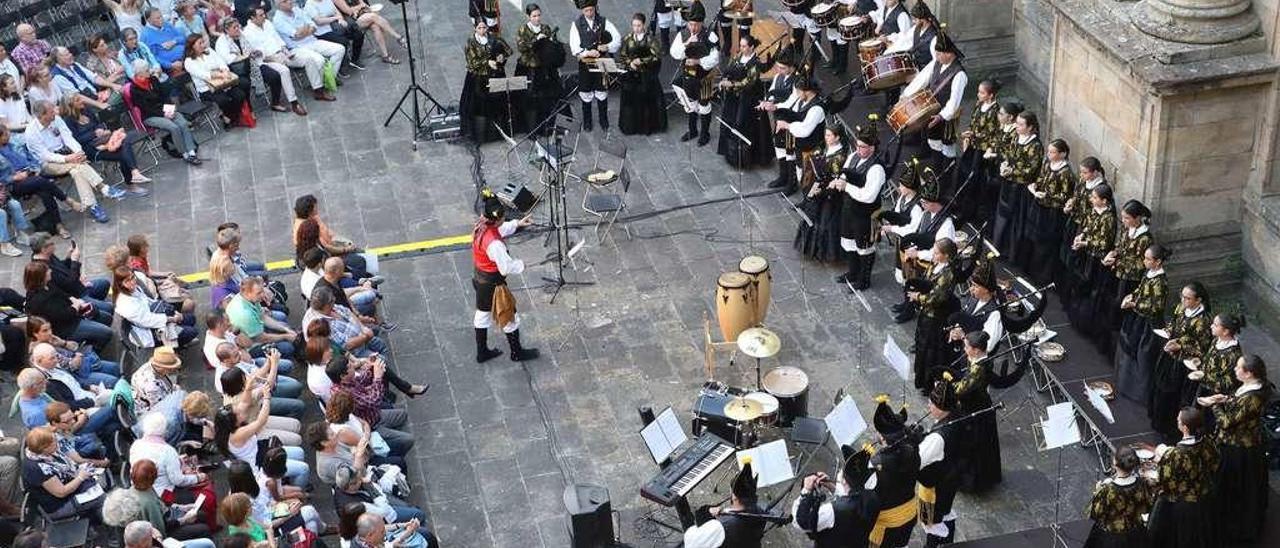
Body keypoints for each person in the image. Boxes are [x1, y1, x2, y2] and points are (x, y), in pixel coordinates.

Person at [1199, 355, 1271, 543]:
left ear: (1249, 374)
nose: (1235, 370)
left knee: (1233, 490)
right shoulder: (1250, 387)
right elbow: (1237, 404)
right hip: (1234, 444)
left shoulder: (1253, 398)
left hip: (1239, 451)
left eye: (1239, 368)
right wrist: (1225, 399)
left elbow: (1226, 423)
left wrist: (1214, 405)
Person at [25, 100, 122, 222]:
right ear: (42, 116)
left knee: (77, 171)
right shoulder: (31, 133)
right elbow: (45, 155)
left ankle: (93, 206)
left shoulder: (57, 119)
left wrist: (78, 152)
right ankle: (103, 188)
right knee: (78, 166)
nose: (55, 112)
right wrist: (67, 158)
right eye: (51, 112)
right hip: (48, 163)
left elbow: (68, 138)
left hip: (67, 154)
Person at [473, 189, 540, 362]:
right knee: (509, 315)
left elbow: (499, 230)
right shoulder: (495, 244)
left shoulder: (482, 225)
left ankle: (482, 352)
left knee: (483, 314)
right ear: (497, 218)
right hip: (494, 283)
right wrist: (522, 265)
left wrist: (517, 224)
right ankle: (516, 352)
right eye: (503, 217)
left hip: (480, 279)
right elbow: (506, 267)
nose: (504, 220)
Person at [128, 417, 219, 532]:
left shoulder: (136, 445)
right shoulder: (167, 451)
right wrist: (197, 477)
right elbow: (177, 480)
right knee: (198, 501)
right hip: (167, 499)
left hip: (164, 505)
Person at [1148, 407, 1218, 548]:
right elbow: (1215, 463)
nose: (1177, 421)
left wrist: (1151, 475)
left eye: (1178, 420)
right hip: (1204, 497)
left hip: (1182, 506)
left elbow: (1166, 483)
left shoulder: (1175, 455)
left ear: (1184, 428)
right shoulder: (1208, 441)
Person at [1149, 282, 1211, 441]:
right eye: (1182, 297)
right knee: (1159, 387)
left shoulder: (1203, 321)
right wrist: (1168, 332)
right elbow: (1173, 323)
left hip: (1183, 365)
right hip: (1170, 357)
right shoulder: (1180, 307)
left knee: (1172, 395)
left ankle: (1170, 429)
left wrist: (1180, 346)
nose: (1183, 301)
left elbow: (1202, 348)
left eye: (1187, 298)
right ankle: (1158, 421)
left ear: (1198, 300)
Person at [900, 26, 967, 169]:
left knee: (946, 147)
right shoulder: (937, 63)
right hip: (932, 110)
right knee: (933, 142)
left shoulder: (959, 74)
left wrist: (941, 116)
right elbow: (922, 79)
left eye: (939, 53)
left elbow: (954, 102)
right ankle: (937, 168)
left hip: (945, 116)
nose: (936, 56)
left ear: (949, 54)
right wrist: (906, 95)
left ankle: (946, 174)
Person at [60, 94, 152, 196]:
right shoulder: (68, 121)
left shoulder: (86, 111)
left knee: (124, 142)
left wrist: (100, 129)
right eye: (77, 100)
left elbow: (98, 123)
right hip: (91, 149)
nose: (82, 101)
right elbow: (76, 140)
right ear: (70, 105)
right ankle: (132, 182)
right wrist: (94, 134)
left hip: (103, 141)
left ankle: (134, 174)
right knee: (123, 153)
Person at [791, 444, 878, 547]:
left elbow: (800, 522)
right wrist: (831, 486)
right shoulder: (873, 498)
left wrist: (805, 492)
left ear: (844, 481)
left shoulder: (832, 511)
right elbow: (852, 499)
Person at [243, 6, 336, 102]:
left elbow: (278, 39)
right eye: (261, 15)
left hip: (283, 53)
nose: (264, 16)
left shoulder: (267, 23)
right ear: (252, 18)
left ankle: (318, 90)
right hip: (269, 60)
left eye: (264, 14)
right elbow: (258, 54)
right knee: (284, 71)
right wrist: (274, 58)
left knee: (309, 59)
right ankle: (294, 101)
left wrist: (285, 52)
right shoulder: (248, 32)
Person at [217, 17, 307, 116]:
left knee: (274, 76)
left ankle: (275, 103)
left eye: (238, 26)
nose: (238, 29)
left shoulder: (242, 35)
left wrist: (257, 52)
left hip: (252, 65)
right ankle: (250, 109)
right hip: (236, 70)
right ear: (227, 30)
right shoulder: (222, 42)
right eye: (234, 27)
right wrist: (244, 56)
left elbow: (253, 47)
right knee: (245, 84)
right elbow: (227, 58)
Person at [1065, 183, 1118, 350]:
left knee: (1093, 291)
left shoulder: (1109, 218)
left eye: (1095, 198)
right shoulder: (1094, 211)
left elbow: (1103, 242)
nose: (1092, 199)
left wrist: (1084, 243)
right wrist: (1080, 237)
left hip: (1097, 260)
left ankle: (1089, 324)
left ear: (1104, 200)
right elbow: (1087, 227)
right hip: (1087, 255)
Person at [834, 119, 885, 288]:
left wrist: (846, 187)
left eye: (862, 147)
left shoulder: (876, 168)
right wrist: (839, 181)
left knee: (864, 246)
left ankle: (864, 280)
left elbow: (868, 196)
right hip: (849, 208)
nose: (858, 149)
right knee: (849, 241)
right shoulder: (854, 156)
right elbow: (845, 174)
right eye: (857, 145)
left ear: (872, 148)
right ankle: (853, 272)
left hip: (865, 214)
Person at [1115, 244, 1169, 403]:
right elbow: (1140, 289)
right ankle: (1124, 384)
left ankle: (1139, 393)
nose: (1144, 261)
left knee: (1142, 356)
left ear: (1158, 262)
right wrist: (1131, 296)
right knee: (1127, 347)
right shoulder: (1149, 274)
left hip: (1149, 324)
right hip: (1137, 319)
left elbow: (1156, 306)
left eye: (1147, 259)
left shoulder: (1161, 282)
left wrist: (1134, 305)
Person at [950, 330, 1001, 492]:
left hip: (975, 409)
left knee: (973, 445)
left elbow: (961, 389)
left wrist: (945, 385)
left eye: (967, 347)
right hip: (976, 404)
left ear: (977, 350)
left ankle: (973, 482)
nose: (965, 349)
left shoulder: (978, 369)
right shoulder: (978, 359)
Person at [0, 125, 73, 237]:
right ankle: (66, 200)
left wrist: (35, 169)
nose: (9, 135)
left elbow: (31, 158)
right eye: (5, 134)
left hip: (30, 175)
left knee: (44, 191)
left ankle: (59, 226)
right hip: (13, 185)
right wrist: (14, 177)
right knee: (41, 182)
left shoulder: (14, 145)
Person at [1018, 138, 1075, 283]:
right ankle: (1029, 269)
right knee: (1033, 240)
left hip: (1052, 213)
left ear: (1062, 154)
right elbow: (1041, 178)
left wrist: (1047, 196)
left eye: (1052, 152)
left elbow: (1064, 195)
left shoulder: (1066, 173)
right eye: (1049, 151)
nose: (1049, 154)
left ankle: (1042, 276)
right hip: (1039, 207)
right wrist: (1035, 187)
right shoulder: (1047, 164)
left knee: (1046, 245)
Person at [128, 59, 204, 165]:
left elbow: (164, 96)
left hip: (165, 109)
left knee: (182, 123)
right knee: (174, 127)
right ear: (139, 73)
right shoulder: (134, 89)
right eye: (146, 70)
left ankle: (192, 152)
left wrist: (169, 110)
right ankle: (184, 153)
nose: (149, 71)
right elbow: (145, 108)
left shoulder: (153, 80)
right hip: (151, 115)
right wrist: (164, 114)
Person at [22, 427, 105, 523]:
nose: (57, 442)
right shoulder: (36, 468)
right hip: (59, 506)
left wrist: (79, 473)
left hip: (69, 487)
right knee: (100, 497)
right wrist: (80, 477)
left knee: (99, 483)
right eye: (53, 442)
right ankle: (111, 525)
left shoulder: (46, 453)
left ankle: (97, 522)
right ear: (44, 448)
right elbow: (61, 492)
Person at [867, 396, 919, 548]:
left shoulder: (876, 463)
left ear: (882, 437)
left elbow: (866, 495)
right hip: (909, 514)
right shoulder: (913, 450)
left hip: (886, 525)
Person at [23, 261, 113, 349]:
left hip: (72, 312)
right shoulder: (38, 301)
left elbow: (61, 293)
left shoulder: (47, 284)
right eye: (47, 271)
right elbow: (63, 315)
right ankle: (88, 350)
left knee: (106, 318)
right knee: (106, 333)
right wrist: (76, 306)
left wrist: (74, 300)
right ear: (41, 277)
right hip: (67, 328)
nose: (50, 271)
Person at [917, 377, 964, 546]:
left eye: (932, 404)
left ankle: (937, 544)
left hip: (935, 487)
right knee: (944, 513)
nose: (928, 406)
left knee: (932, 521)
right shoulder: (956, 414)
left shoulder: (938, 438)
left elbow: (918, 460)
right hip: (949, 478)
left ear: (941, 408)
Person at [991, 110, 1043, 260]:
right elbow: (1008, 153)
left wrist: (1011, 172)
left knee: (1015, 221)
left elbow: (1031, 169)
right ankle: (997, 246)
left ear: (1030, 127)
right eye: (1017, 123)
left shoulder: (1035, 146)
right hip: (1008, 184)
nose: (1017, 127)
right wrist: (1004, 165)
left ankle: (1011, 253)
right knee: (1002, 216)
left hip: (1020, 189)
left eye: (1021, 125)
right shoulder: (1016, 136)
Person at [795, 126, 850, 264]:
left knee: (826, 222)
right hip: (818, 188)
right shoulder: (825, 148)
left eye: (830, 136)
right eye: (826, 135)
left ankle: (824, 253)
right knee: (812, 217)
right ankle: (810, 248)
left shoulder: (841, 156)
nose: (826, 138)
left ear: (837, 137)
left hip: (830, 193)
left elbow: (836, 176)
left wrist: (823, 188)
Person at [909, 238, 957, 390]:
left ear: (946, 255)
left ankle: (928, 383)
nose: (934, 254)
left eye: (937, 253)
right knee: (922, 346)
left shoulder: (947, 274)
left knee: (931, 351)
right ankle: (920, 378)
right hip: (926, 314)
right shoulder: (935, 265)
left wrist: (918, 297)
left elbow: (936, 298)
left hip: (936, 317)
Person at [683, 461, 766, 547]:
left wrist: (708, 514)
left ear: (735, 497)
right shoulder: (760, 513)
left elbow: (691, 543)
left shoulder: (720, 527)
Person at [112, 266, 198, 348]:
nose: (133, 281)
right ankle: (175, 347)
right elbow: (148, 320)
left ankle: (181, 337)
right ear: (121, 284)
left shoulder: (133, 289)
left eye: (132, 277)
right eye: (127, 280)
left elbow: (149, 302)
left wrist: (174, 314)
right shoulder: (125, 304)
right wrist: (173, 319)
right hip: (147, 331)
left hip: (153, 317)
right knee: (192, 332)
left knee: (191, 319)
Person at [1083, 446, 1153, 548]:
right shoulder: (1142, 484)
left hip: (1112, 538)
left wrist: (1097, 492)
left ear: (1115, 464)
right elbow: (1147, 507)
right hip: (1136, 535)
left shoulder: (1107, 489)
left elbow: (1095, 514)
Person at [715, 35, 770, 165]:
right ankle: (730, 153)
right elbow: (729, 69)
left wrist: (732, 84)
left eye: (744, 46)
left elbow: (749, 82)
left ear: (751, 47)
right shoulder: (738, 56)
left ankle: (745, 157)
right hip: (733, 97)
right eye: (741, 45)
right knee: (729, 120)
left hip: (748, 98)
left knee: (742, 124)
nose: (741, 48)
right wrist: (725, 79)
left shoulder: (755, 63)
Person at [671, 1, 719, 146]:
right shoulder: (683, 34)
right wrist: (686, 44)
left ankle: (705, 133)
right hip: (689, 75)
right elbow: (674, 53)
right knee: (691, 103)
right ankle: (692, 130)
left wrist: (698, 61)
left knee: (704, 105)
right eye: (690, 24)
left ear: (701, 23)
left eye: (696, 25)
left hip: (705, 77)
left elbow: (715, 58)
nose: (693, 28)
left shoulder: (710, 36)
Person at [1059, 155, 1106, 304]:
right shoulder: (1082, 181)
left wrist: (1085, 232)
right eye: (1081, 172)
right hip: (1075, 220)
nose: (1082, 176)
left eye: (1085, 173)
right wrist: (1070, 203)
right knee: (1066, 252)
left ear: (1095, 172)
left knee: (1077, 259)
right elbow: (1076, 195)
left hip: (1085, 226)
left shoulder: (1101, 189)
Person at [26, 315, 121, 388]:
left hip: (83, 366)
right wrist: (79, 355)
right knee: (113, 382)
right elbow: (72, 366)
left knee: (114, 367)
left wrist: (63, 343)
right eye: (45, 331)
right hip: (76, 378)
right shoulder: (41, 351)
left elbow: (75, 346)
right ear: (35, 334)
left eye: (50, 328)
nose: (50, 333)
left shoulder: (52, 340)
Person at [569, 0, 621, 132]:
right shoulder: (576, 25)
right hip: (585, 64)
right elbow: (574, 48)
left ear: (595, 8)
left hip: (601, 63)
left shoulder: (603, 21)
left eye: (591, 10)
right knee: (586, 92)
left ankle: (604, 120)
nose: (589, 13)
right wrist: (587, 52)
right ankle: (587, 121)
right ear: (582, 10)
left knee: (601, 91)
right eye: (586, 11)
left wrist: (606, 46)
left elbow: (617, 39)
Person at [460, 18, 515, 142]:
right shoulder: (471, 42)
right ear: (475, 28)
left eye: (484, 28)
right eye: (479, 28)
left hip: (495, 75)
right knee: (480, 108)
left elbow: (509, 50)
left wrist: (502, 56)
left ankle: (495, 134)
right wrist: (487, 62)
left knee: (497, 105)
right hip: (478, 79)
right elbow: (472, 63)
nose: (482, 30)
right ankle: (480, 135)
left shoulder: (494, 38)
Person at [514, 4, 564, 135]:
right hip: (529, 68)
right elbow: (521, 47)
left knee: (546, 99)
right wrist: (536, 40)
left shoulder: (546, 28)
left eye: (538, 15)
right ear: (528, 16)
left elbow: (551, 47)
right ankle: (531, 130)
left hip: (544, 69)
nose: (537, 18)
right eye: (534, 16)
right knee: (529, 100)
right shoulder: (523, 30)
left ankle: (546, 128)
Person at [183, 33, 251, 128]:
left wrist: (225, 70)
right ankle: (231, 118)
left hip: (224, 83)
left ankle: (229, 117)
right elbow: (204, 74)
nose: (203, 45)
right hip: (207, 89)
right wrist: (220, 74)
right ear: (192, 46)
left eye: (203, 42)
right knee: (223, 100)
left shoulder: (209, 51)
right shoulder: (189, 61)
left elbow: (221, 62)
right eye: (200, 43)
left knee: (240, 95)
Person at [273, 0, 349, 79]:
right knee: (320, 60)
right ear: (279, 5)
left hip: (312, 41)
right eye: (285, 1)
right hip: (298, 48)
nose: (290, 1)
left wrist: (304, 31)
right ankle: (323, 84)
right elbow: (297, 35)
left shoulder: (297, 10)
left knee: (340, 49)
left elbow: (314, 26)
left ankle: (329, 78)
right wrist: (307, 28)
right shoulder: (278, 19)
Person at [959, 80, 1001, 223]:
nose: (978, 95)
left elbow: (992, 133)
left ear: (990, 95)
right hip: (973, 145)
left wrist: (973, 135)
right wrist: (968, 137)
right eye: (979, 92)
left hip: (983, 149)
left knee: (975, 178)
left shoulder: (995, 111)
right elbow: (974, 123)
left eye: (982, 93)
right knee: (964, 173)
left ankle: (973, 212)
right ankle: (963, 207)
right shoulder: (979, 105)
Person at [616, 13, 665, 136]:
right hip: (631, 76)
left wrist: (642, 61)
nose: (636, 28)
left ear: (644, 25)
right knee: (630, 103)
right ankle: (631, 127)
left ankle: (646, 127)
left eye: (638, 25)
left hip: (646, 75)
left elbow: (657, 56)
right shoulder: (628, 39)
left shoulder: (650, 39)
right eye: (634, 25)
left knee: (646, 102)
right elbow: (622, 55)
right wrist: (630, 63)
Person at [226, 276, 298, 357]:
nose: (263, 295)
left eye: (262, 291)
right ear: (247, 293)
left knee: (284, 325)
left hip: (255, 329)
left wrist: (285, 329)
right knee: (288, 347)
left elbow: (263, 317)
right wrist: (285, 336)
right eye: (259, 293)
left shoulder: (249, 298)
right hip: (250, 345)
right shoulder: (245, 314)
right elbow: (262, 338)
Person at [759, 46, 799, 189]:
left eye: (782, 68)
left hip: (790, 119)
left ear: (791, 67)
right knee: (779, 145)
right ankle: (783, 176)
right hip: (778, 118)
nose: (779, 71)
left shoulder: (797, 81)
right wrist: (767, 101)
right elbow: (771, 92)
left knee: (789, 149)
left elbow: (793, 101)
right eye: (778, 67)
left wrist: (776, 106)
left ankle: (791, 182)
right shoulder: (778, 77)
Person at [333, 463, 426, 524]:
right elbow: (384, 511)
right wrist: (369, 486)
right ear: (351, 485)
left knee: (407, 506)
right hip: (380, 518)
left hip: (377, 501)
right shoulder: (357, 505)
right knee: (419, 514)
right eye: (359, 480)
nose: (361, 479)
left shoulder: (339, 487)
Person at [49, 47, 123, 115]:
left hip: (97, 95)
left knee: (120, 85)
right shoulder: (58, 76)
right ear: (59, 59)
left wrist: (112, 85)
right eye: (67, 54)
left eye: (69, 53)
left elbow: (95, 78)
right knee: (122, 92)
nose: (71, 55)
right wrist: (99, 104)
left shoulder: (75, 65)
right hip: (87, 107)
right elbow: (77, 96)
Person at [307, 0, 367, 71]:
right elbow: (319, 21)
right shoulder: (310, 4)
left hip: (335, 26)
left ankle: (354, 59)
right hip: (323, 31)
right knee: (343, 41)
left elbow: (336, 11)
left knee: (358, 34)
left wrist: (341, 19)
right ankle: (342, 66)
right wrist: (335, 18)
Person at [130, 346, 187, 417]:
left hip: (154, 399)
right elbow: (161, 409)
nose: (174, 370)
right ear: (163, 368)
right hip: (149, 413)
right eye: (171, 368)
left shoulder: (150, 365)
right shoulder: (152, 386)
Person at [140, 8, 188, 74]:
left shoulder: (166, 24)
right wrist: (170, 65)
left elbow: (183, 38)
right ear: (149, 20)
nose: (161, 19)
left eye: (161, 16)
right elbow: (152, 57)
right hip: (173, 66)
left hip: (187, 55)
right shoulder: (145, 35)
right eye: (158, 18)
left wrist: (174, 41)